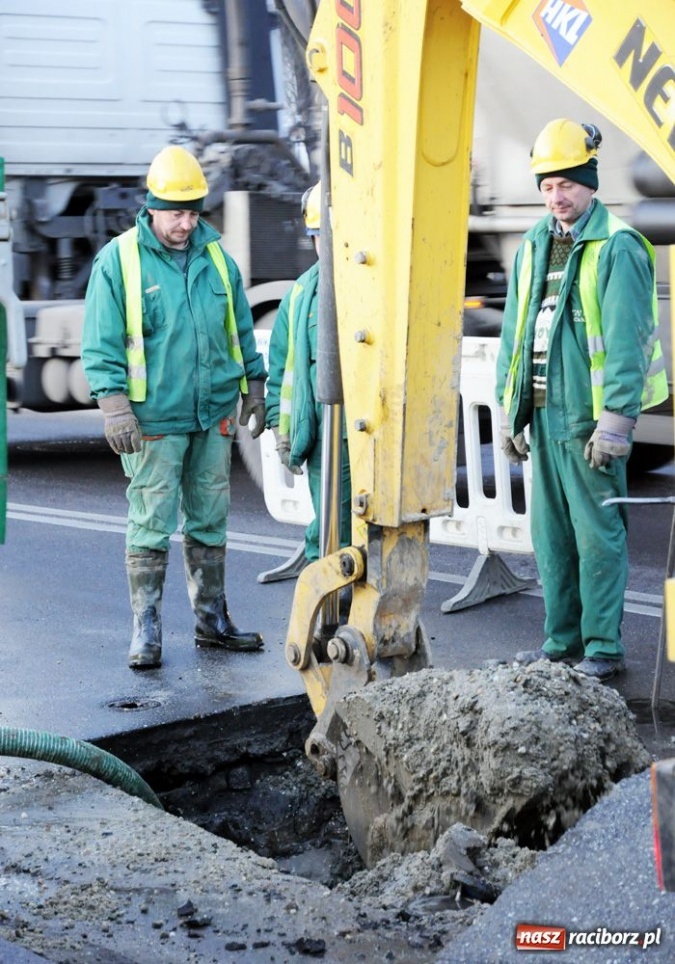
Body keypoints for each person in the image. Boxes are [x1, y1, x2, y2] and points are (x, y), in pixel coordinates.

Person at [82, 145, 267, 669]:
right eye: (175, 213)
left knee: (210, 518)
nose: (185, 224)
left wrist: (254, 384)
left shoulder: (216, 259)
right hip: (154, 421)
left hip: (212, 415)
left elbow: (239, 329)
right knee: (151, 522)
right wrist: (114, 406)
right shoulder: (119, 261)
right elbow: (100, 341)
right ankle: (147, 630)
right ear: (151, 207)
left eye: (193, 213)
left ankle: (212, 622)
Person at [496, 119, 668, 683]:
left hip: (590, 420)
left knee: (597, 535)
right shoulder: (533, 245)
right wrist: (510, 410)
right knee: (552, 535)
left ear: (590, 182)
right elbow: (515, 335)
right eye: (547, 185)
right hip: (545, 415)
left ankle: (602, 648)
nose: (556, 195)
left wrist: (617, 422)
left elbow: (628, 341)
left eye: (567, 183)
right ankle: (561, 642)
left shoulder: (617, 247)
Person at [264, 182, 352, 567]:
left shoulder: (375, 288)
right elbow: (284, 373)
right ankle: (334, 600)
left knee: (356, 527)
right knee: (333, 524)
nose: (326, 247)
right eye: (319, 238)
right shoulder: (301, 295)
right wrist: (282, 428)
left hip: (366, 433)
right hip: (323, 436)